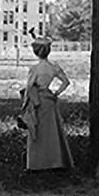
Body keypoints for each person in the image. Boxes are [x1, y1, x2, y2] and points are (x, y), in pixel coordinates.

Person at [18, 37, 74, 173]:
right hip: (49, 101)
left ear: (36, 52)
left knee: (36, 131)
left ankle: (36, 164)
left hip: (37, 101)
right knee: (52, 132)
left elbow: (29, 87)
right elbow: (66, 82)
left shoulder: (35, 68)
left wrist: (24, 105)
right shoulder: (53, 67)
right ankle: (55, 161)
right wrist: (56, 93)